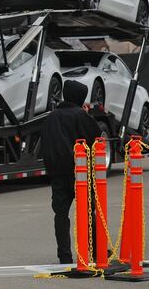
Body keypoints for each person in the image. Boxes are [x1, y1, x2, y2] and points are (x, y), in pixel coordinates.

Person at [39, 80, 102, 264]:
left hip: (58, 174)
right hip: (80, 173)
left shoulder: (51, 117)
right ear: (80, 97)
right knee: (88, 213)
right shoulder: (80, 115)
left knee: (60, 214)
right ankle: (95, 251)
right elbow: (96, 137)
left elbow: (45, 143)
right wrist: (86, 114)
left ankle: (64, 256)